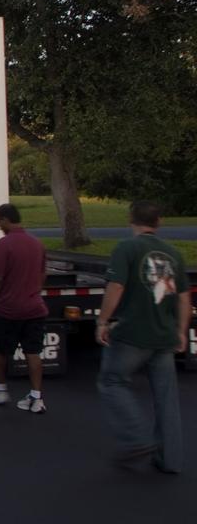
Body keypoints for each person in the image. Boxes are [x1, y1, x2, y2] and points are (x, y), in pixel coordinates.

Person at [96, 201, 191, 473]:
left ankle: (136, 439)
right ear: (159, 222)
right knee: (166, 398)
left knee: (112, 381)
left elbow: (116, 286)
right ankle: (170, 460)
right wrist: (181, 331)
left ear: (131, 220)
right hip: (164, 336)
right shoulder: (173, 253)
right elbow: (184, 298)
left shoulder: (126, 248)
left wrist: (103, 321)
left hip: (132, 334)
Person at [0, 203, 48, 412]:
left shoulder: (4, 244)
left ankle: (0, 389)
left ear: (5, 219)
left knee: (0, 349)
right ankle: (36, 397)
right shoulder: (37, 243)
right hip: (35, 308)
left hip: (9, 309)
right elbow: (43, 274)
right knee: (33, 352)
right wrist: (34, 291)